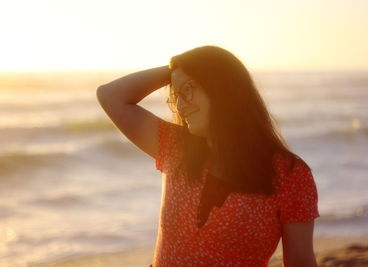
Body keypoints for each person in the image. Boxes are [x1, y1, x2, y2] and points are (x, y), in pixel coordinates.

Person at [96, 45, 320, 266]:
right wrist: (177, 69)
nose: (181, 105)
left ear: (222, 87)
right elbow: (110, 95)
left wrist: (193, 68)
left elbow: (300, 262)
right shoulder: (176, 148)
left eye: (189, 90)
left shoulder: (289, 173)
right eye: (177, 96)